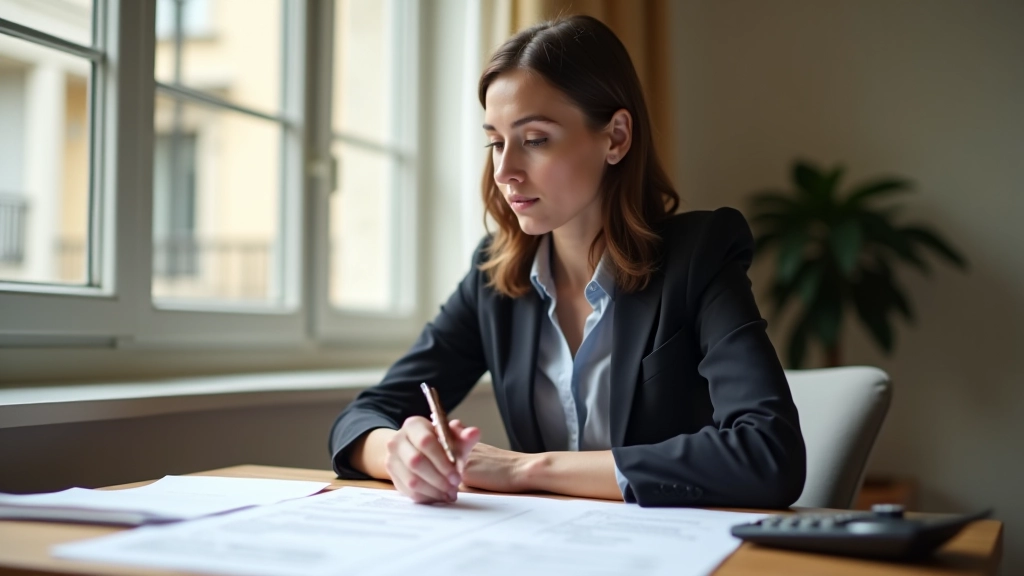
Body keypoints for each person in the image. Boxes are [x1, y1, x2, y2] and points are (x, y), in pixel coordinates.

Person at [328, 15, 806, 508]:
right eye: (495, 141)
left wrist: (526, 469)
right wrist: (398, 453)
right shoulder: (496, 277)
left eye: (535, 139)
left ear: (616, 137)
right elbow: (363, 417)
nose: (505, 171)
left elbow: (770, 453)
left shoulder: (699, 258)